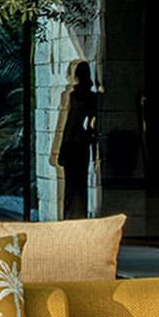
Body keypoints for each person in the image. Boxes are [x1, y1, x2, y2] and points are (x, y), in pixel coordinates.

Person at [56, 60, 98, 220]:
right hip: (82, 144)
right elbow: (91, 125)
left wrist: (62, 148)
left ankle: (69, 218)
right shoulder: (93, 97)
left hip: (72, 143)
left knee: (71, 186)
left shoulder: (74, 95)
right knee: (81, 185)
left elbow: (70, 123)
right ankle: (80, 217)